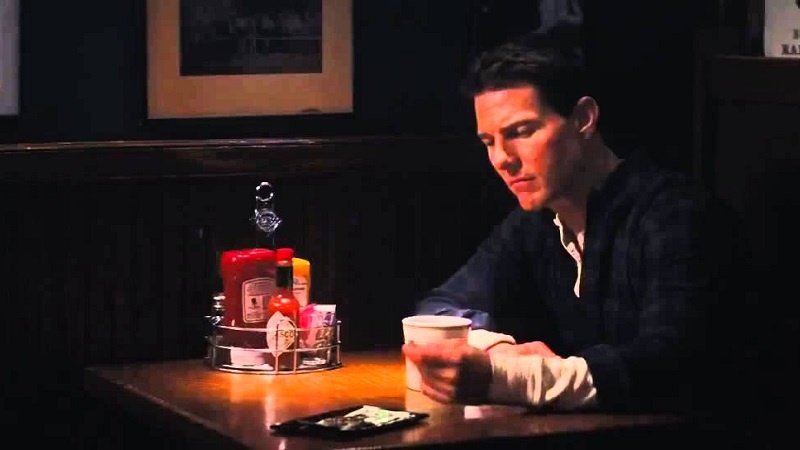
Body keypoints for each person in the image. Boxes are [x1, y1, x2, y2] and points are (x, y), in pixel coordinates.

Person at [402, 27, 753, 415]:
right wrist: (496, 347)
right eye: (489, 142)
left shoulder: (676, 215)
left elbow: (669, 364)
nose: (502, 159)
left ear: (583, 118)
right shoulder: (534, 222)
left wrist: (508, 377)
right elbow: (438, 308)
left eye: (521, 132)